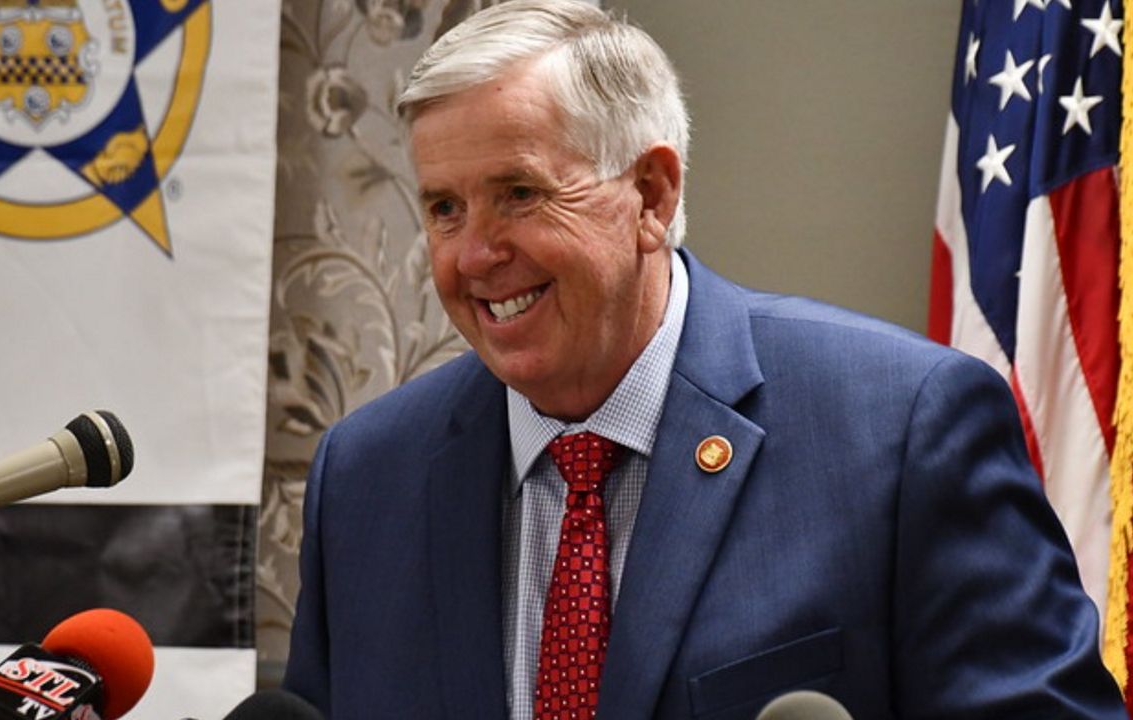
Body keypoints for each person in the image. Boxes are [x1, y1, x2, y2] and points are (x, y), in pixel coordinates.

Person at [283, 1, 1126, 717]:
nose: (472, 256)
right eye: (443, 208)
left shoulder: (903, 429)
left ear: (651, 194)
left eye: (520, 194)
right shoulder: (367, 477)